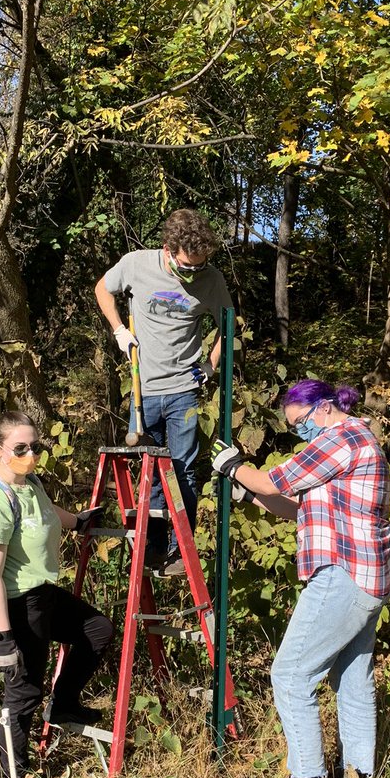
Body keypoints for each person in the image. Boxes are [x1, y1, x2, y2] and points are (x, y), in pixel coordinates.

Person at [211, 380, 390, 778]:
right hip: (366, 575)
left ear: (326, 407)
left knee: (291, 674)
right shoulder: (349, 445)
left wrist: (234, 467)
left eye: (301, 423)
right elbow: (298, 506)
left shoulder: (343, 437)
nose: (300, 433)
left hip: (344, 575)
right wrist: (250, 493)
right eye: (295, 428)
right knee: (352, 678)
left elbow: (276, 478)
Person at [0, 411, 114, 778]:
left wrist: (79, 521)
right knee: (24, 690)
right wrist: (1, 638)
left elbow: (47, 513)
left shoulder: (29, 482)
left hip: (42, 594)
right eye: (20, 448)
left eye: (35, 446)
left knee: (97, 629)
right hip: (14, 604)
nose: (30, 453)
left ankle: (64, 703)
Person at [94, 208, 233, 574]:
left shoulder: (211, 280)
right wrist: (118, 330)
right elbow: (102, 289)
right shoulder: (137, 264)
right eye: (187, 267)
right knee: (151, 469)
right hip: (145, 387)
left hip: (184, 389)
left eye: (200, 266)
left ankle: (178, 549)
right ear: (168, 249)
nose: (194, 273)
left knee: (183, 469)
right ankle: (152, 548)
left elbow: (230, 329)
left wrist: (211, 365)